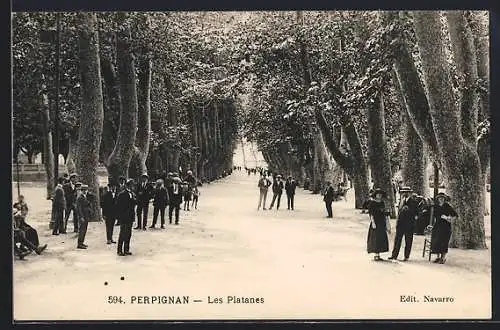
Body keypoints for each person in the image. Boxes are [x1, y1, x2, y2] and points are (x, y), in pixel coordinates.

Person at [388, 187, 419, 261]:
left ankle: (406, 256)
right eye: (403, 192)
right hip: (400, 224)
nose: (405, 193)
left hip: (409, 224)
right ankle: (394, 255)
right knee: (397, 240)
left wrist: (409, 211)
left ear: (410, 193)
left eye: (407, 192)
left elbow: (417, 214)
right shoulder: (401, 201)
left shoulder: (414, 202)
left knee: (408, 240)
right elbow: (399, 212)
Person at [430, 192, 458, 264]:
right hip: (437, 226)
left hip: (445, 227)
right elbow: (433, 216)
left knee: (444, 242)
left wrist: (448, 218)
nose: (441, 199)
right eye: (440, 198)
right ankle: (438, 257)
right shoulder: (436, 206)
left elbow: (455, 215)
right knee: (436, 241)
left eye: (442, 198)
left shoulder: (447, 206)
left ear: (444, 199)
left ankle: (443, 258)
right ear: (438, 199)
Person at [366, 188, 391, 261]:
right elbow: (371, 214)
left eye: (380, 194)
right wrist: (373, 222)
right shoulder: (372, 203)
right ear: (375, 195)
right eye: (378, 194)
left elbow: (385, 213)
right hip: (376, 222)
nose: (379, 196)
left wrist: (387, 223)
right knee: (375, 238)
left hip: (381, 222)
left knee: (381, 237)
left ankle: (379, 253)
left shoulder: (382, 203)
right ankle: (376, 254)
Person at [116, 179, 136, 256]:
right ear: (128, 185)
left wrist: (134, 199)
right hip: (124, 217)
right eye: (132, 185)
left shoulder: (132, 194)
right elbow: (118, 206)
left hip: (130, 217)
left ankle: (126, 249)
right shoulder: (122, 194)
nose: (133, 187)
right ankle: (119, 250)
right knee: (122, 234)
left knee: (128, 234)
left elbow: (134, 203)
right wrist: (119, 217)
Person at [76, 185, 92, 249]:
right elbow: (79, 208)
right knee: (82, 230)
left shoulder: (85, 197)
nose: (85, 191)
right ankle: (79, 243)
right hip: (82, 216)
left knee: (84, 229)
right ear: (81, 191)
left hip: (86, 215)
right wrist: (81, 217)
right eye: (84, 190)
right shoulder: (80, 198)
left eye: (86, 190)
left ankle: (82, 242)